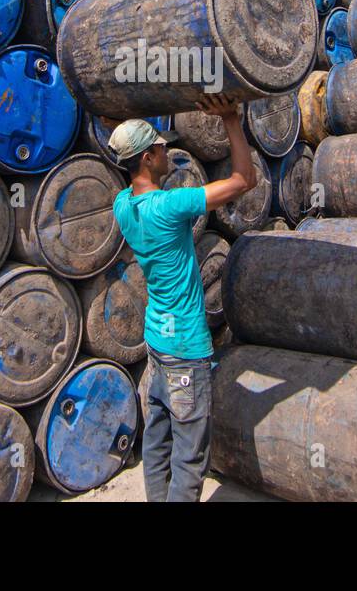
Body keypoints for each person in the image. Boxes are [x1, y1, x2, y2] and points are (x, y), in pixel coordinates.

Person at [104, 94, 258, 502]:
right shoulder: (170, 206)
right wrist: (230, 119)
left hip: (157, 341)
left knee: (158, 440)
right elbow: (245, 180)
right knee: (190, 454)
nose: (168, 151)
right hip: (185, 347)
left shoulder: (124, 205)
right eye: (161, 147)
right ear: (148, 158)